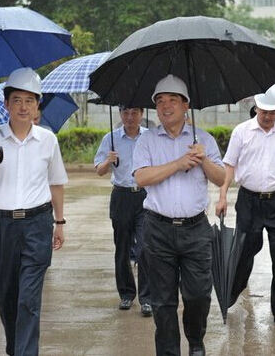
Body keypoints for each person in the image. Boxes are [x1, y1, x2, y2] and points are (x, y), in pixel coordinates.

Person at [0, 67, 67, 356]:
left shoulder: (48, 140)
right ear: (7, 104)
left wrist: (59, 223)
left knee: (29, 301)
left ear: (37, 106)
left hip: (37, 224)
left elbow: (56, 184)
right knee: (6, 297)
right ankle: (15, 347)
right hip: (1, 226)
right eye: (17, 100)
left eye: (30, 100)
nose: (23, 106)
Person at [132, 74, 225, 356]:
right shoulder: (146, 141)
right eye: (160, 101)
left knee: (197, 294)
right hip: (157, 229)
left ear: (186, 106)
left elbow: (221, 178)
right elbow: (141, 178)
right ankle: (169, 351)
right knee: (162, 301)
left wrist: (203, 159)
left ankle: (195, 340)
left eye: (173, 100)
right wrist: (179, 163)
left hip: (196, 229)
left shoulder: (203, 140)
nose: (166, 106)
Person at [215, 81, 275, 328]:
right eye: (263, 111)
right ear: (256, 106)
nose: (267, 116)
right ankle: (231, 291)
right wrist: (222, 196)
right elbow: (229, 166)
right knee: (244, 251)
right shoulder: (241, 132)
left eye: (272, 112)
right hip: (249, 201)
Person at [94, 105, 151, 317]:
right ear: (120, 114)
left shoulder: (150, 137)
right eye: (125, 113)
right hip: (121, 196)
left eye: (134, 112)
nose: (130, 117)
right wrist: (108, 161)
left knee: (145, 247)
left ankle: (147, 298)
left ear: (142, 114)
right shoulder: (110, 139)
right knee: (122, 247)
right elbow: (99, 170)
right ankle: (126, 294)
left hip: (145, 196)